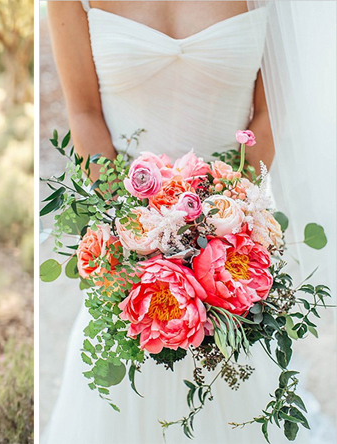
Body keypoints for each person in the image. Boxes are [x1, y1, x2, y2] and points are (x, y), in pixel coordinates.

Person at [42, 1, 334, 443]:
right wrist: (132, 230)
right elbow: (84, 113)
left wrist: (232, 212)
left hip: (230, 234)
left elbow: (262, 119)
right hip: (129, 228)